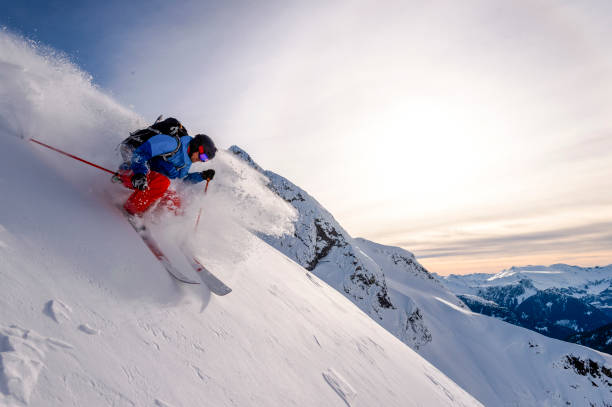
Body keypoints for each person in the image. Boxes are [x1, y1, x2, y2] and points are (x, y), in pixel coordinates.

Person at [117, 127, 217, 216]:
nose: (201, 160)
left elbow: (182, 180)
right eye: (203, 157)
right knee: (163, 182)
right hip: (133, 173)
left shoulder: (187, 163)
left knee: (175, 202)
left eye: (205, 160)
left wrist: (201, 176)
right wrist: (140, 173)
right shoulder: (171, 143)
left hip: (149, 182)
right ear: (196, 147)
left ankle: (153, 221)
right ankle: (131, 210)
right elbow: (140, 153)